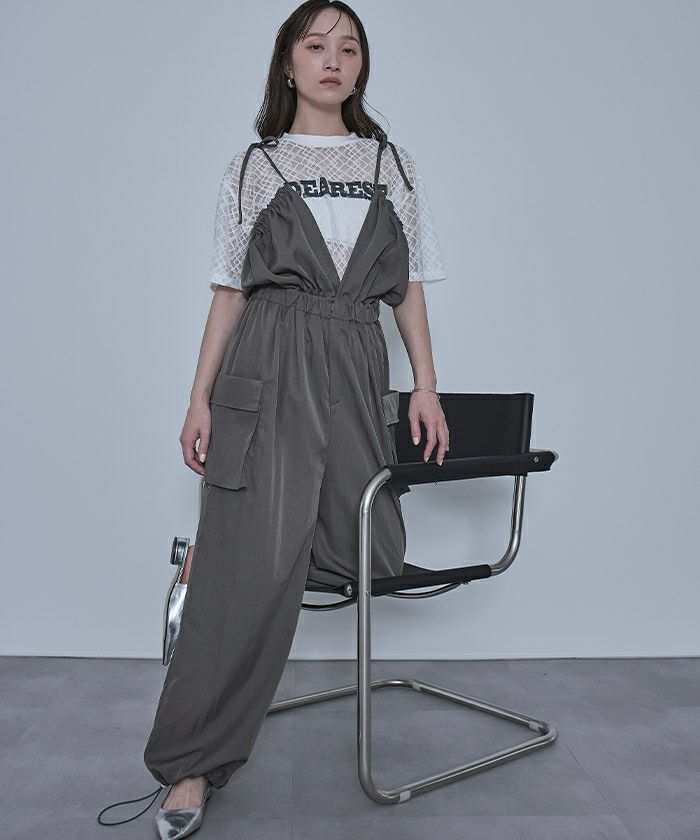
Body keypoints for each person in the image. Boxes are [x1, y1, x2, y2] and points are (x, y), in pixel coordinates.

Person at [97, 1, 449, 836]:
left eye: (349, 48)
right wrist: (198, 397)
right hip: (268, 355)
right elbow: (229, 289)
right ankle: (190, 764)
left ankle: (228, 545)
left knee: (373, 548)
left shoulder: (392, 163)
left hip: (355, 358)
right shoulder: (253, 166)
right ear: (287, 63)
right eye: (315, 46)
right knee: (243, 576)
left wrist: (426, 385)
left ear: (362, 67)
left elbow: (409, 286)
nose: (333, 60)